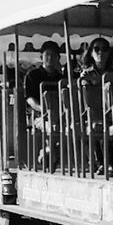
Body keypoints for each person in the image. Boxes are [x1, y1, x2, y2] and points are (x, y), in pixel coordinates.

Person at [23, 41, 67, 169]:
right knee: (51, 126)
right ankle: (49, 151)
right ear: (41, 56)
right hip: (39, 116)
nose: (50, 58)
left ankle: (50, 152)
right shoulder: (32, 75)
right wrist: (43, 109)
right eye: (47, 54)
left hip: (61, 115)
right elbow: (29, 98)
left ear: (58, 58)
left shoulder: (61, 78)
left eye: (54, 55)